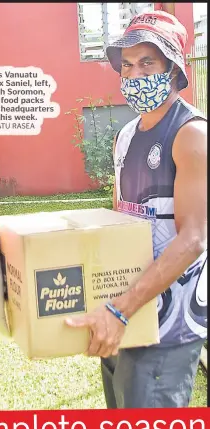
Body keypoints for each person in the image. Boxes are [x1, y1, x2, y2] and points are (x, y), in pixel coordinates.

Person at [65, 10, 207, 408]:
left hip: (168, 327)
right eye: (126, 65)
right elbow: (119, 226)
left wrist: (119, 310)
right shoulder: (125, 137)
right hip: (123, 314)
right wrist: (106, 305)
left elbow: (193, 241)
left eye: (148, 63)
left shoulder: (192, 135)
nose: (134, 75)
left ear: (174, 69)